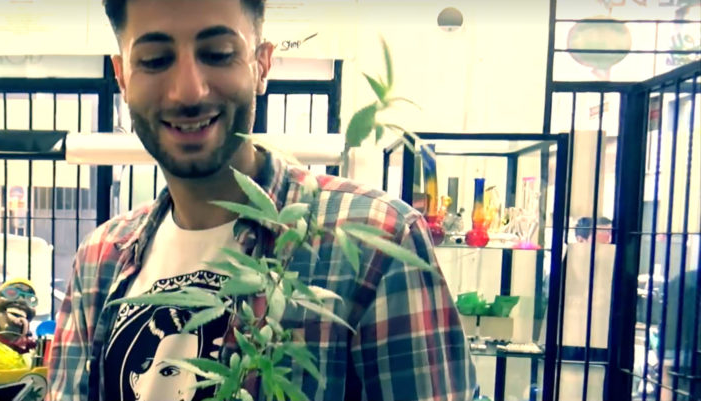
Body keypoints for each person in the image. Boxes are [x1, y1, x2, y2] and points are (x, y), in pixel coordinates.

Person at [48, 0, 477, 400]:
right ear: (122, 77)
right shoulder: (99, 259)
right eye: (155, 61)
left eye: (217, 53)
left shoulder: (376, 243)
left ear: (261, 64)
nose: (188, 91)